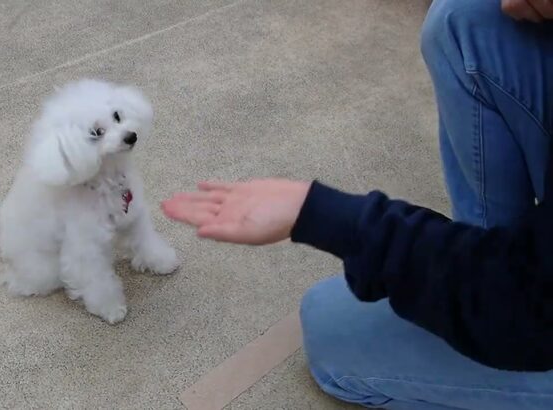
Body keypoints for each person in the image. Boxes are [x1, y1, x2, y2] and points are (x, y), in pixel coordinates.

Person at [161, 0, 553, 409]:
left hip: (533, 306)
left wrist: (320, 213)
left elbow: (526, 303)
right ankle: (483, 259)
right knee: (463, 20)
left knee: (328, 332)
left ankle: (484, 304)